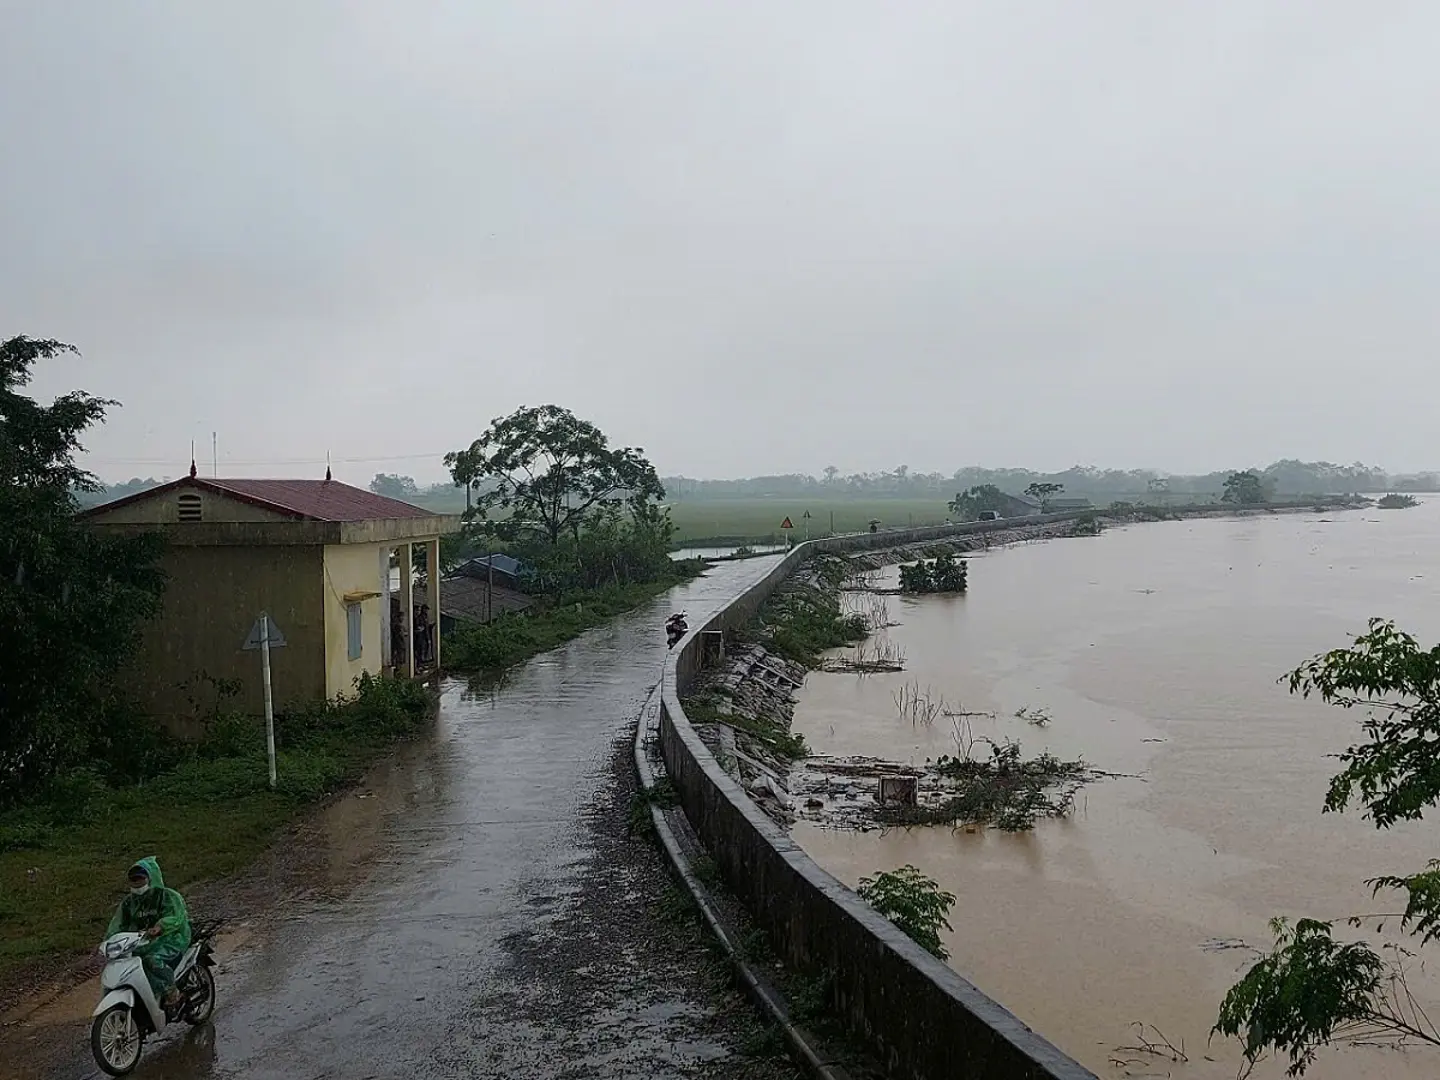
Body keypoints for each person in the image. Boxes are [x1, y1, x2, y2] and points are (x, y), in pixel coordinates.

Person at [107, 857, 191, 1009]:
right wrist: (107, 942)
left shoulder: (168, 896)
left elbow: (176, 917)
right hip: (141, 941)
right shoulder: (128, 903)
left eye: (141, 879)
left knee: (152, 960)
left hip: (171, 938)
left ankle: (171, 991)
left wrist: (160, 926)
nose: (137, 884)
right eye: (133, 880)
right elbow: (117, 925)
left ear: (151, 878)